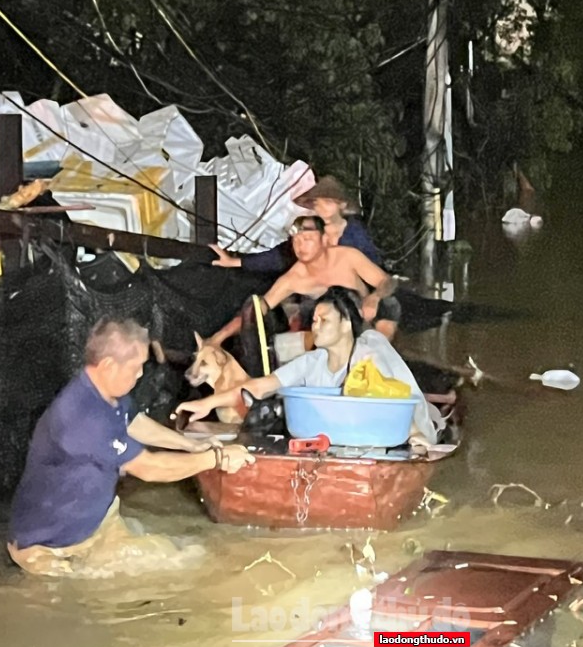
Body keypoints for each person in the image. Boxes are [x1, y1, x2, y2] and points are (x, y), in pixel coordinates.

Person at [8, 317, 255, 578]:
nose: (140, 375)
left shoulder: (104, 393)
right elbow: (149, 468)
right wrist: (215, 458)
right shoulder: (83, 416)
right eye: (137, 367)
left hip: (97, 525)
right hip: (45, 545)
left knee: (179, 557)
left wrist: (192, 445)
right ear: (109, 366)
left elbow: (134, 422)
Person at [179, 287, 441, 448]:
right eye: (314, 320)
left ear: (346, 324)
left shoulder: (368, 354)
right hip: (332, 441)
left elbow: (393, 402)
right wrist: (208, 403)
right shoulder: (311, 361)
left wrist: (416, 440)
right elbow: (259, 386)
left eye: (324, 320)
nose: (315, 326)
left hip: (377, 438)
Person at [208, 215, 402, 348]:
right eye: (296, 240)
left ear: (324, 239)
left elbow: (387, 282)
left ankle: (380, 359)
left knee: (389, 304)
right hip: (328, 339)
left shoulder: (348, 257)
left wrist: (375, 297)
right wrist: (218, 338)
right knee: (283, 342)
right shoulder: (293, 278)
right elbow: (256, 311)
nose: (301, 246)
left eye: (307, 238)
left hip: (364, 326)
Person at [210, 175, 383, 273]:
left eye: (328, 201)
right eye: (317, 202)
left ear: (342, 205)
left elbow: (373, 268)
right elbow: (281, 257)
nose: (320, 207)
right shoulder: (310, 228)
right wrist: (236, 262)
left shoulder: (355, 233)